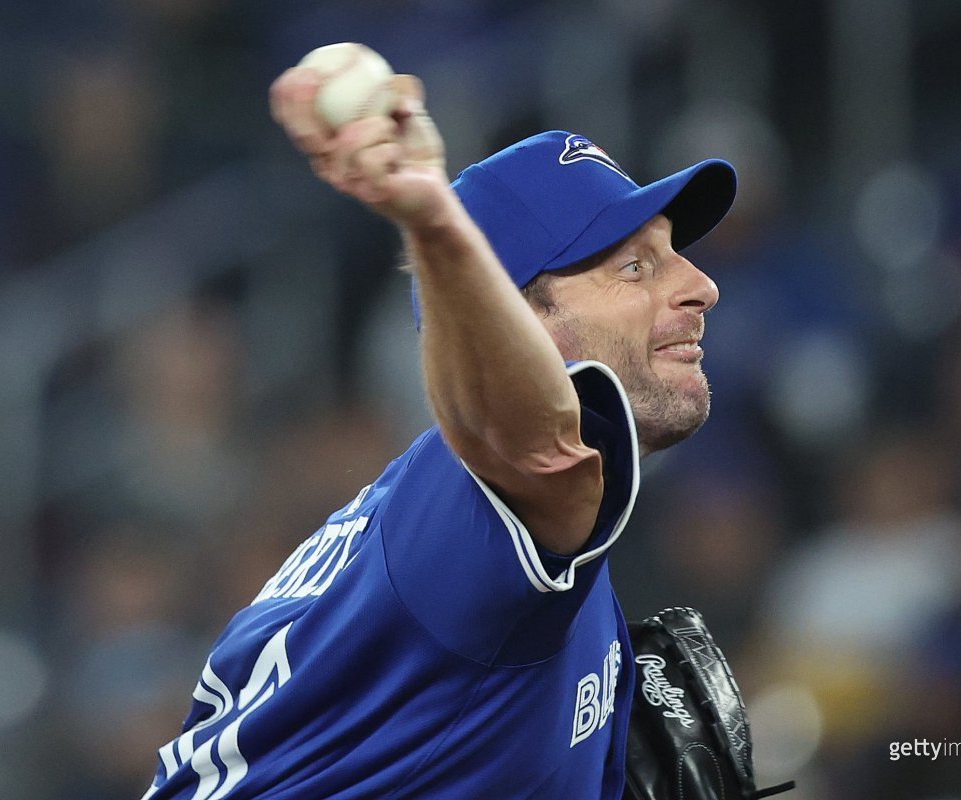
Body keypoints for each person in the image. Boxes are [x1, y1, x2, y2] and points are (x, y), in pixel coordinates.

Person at [141, 62, 736, 800]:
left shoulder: (472, 536)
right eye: (636, 268)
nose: (701, 285)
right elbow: (525, 432)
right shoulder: (494, 509)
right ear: (518, 325)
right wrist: (433, 223)